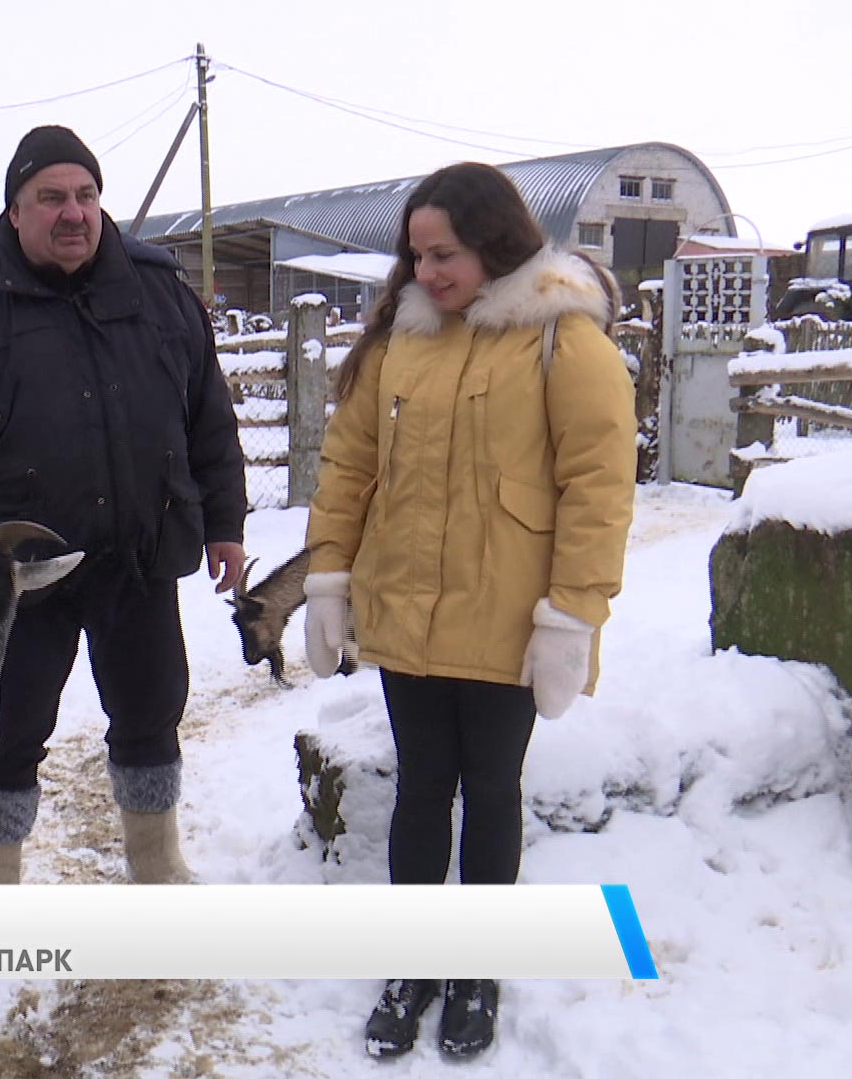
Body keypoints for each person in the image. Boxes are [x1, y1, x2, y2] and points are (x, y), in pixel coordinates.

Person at [300, 162, 636, 1060]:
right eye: (415, 256)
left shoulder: (566, 341)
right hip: (407, 612)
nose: (427, 273)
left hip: (509, 620)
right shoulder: (401, 344)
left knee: (490, 792)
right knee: (420, 789)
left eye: (442, 254)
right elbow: (350, 471)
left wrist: (573, 615)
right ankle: (412, 960)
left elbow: (598, 487)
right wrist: (328, 578)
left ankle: (478, 967)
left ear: (495, 244)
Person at [0, 125, 249, 886]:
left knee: (151, 714)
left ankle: (157, 860)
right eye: (50, 198)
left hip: (137, 550)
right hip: (15, 572)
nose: (73, 212)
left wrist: (226, 525)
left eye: (85, 195)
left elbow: (207, 417)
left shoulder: (157, 293)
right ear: (15, 211)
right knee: (5, 731)